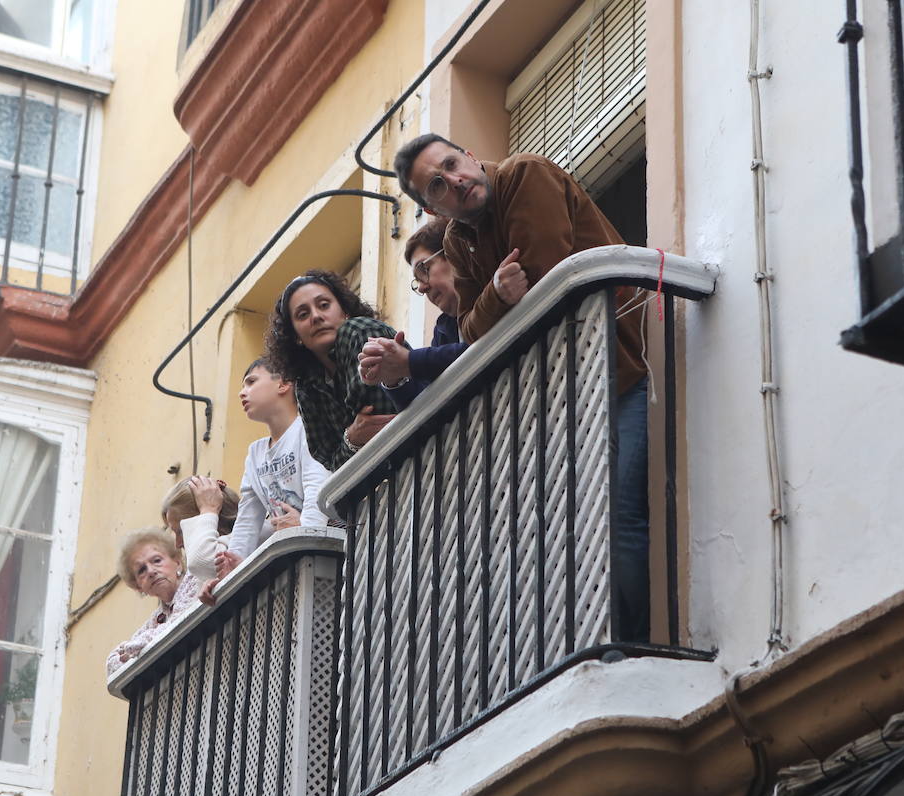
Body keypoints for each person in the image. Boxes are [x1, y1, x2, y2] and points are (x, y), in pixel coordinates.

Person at [393, 133, 652, 640]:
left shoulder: (524, 175)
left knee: (617, 524)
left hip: (613, 371)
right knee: (571, 542)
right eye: (438, 185)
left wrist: (496, 304)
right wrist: (496, 292)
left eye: (453, 163)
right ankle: (602, 645)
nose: (456, 181)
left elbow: (544, 279)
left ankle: (637, 647)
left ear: (471, 155)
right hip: (553, 400)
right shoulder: (457, 241)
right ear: (432, 207)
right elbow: (470, 332)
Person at [265, 270, 411, 472]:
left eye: (324, 305)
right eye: (303, 314)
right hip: (397, 479)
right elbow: (329, 461)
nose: (316, 316)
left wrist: (349, 441)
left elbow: (377, 417)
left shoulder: (358, 330)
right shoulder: (307, 384)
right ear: (296, 336)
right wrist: (352, 436)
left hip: (428, 454)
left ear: (345, 312)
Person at [213, 359, 331, 577]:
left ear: (283, 383)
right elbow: (247, 519)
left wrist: (306, 530)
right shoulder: (255, 453)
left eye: (251, 382)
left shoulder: (307, 428)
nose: (242, 393)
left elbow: (318, 487)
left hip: (326, 545)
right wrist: (234, 563)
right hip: (291, 556)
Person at [357, 216, 468, 409]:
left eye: (424, 269)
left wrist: (409, 361)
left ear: (453, 253)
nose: (422, 288)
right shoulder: (443, 330)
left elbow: (485, 347)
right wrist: (393, 377)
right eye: (417, 281)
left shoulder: (498, 290)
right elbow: (429, 407)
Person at [106, 528, 202, 674]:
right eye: (141, 570)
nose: (150, 571)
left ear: (177, 562)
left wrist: (136, 648)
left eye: (157, 561)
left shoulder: (196, 579)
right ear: (138, 587)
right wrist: (131, 649)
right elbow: (113, 665)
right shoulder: (156, 619)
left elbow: (178, 622)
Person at [159, 475, 238, 582]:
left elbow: (201, 561)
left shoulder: (245, 538)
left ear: (213, 520)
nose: (178, 544)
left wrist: (209, 508)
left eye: (182, 532)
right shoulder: (192, 575)